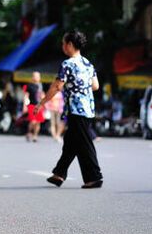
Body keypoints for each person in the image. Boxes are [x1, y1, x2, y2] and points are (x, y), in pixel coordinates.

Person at [35, 29, 103, 189]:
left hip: (75, 108)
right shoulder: (88, 63)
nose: (62, 46)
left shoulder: (67, 64)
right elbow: (95, 86)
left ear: (70, 45)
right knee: (71, 142)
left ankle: (94, 177)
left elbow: (57, 86)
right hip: (88, 108)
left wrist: (42, 102)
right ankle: (59, 174)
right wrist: (81, 88)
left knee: (85, 144)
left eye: (64, 43)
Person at [24, 71, 44, 142]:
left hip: (39, 105)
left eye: (38, 76)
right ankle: (29, 132)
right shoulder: (29, 85)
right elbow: (26, 96)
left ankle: (35, 136)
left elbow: (42, 94)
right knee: (33, 121)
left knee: (38, 122)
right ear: (33, 77)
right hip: (32, 105)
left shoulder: (40, 85)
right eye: (36, 76)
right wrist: (25, 105)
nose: (38, 78)